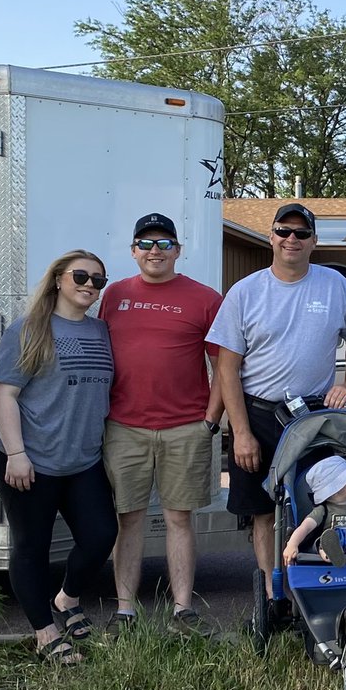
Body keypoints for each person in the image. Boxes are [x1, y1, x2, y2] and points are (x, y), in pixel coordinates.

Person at [206, 203, 346, 598]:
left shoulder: (334, 285)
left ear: (314, 241)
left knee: (322, 501)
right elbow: (227, 369)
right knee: (264, 511)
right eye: (283, 231)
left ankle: (316, 587)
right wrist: (240, 432)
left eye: (301, 233)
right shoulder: (245, 292)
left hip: (313, 418)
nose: (291, 239)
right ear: (271, 237)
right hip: (258, 415)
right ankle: (272, 592)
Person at [98, 213, 224, 637]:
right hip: (124, 427)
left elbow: (223, 366)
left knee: (179, 518)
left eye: (165, 243)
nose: (156, 250)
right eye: (147, 243)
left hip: (185, 427)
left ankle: (182, 611)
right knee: (128, 518)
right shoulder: (115, 295)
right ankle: (125, 611)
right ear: (134, 251)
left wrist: (211, 420)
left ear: (178, 251)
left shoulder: (204, 299)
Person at [0, 251, 117, 664]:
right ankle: (46, 634)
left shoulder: (100, 330)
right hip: (30, 461)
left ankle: (67, 599)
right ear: (59, 279)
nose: (89, 285)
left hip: (82, 461)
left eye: (98, 280)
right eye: (80, 276)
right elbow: (5, 393)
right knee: (32, 548)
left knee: (100, 537)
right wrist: (16, 453)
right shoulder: (30, 328)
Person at [281, 456, 346, 567]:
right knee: (323, 543)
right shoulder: (322, 510)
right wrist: (292, 544)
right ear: (335, 490)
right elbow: (305, 527)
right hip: (326, 541)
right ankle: (333, 554)